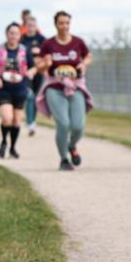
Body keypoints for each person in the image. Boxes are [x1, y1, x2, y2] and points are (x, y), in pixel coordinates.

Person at [35, 11, 94, 171]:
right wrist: (46, 64)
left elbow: (88, 56)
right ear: (56, 24)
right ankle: (63, 159)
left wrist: (84, 64)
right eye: (61, 23)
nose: (64, 26)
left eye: (67, 23)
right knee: (63, 123)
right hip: (55, 88)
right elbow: (38, 66)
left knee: (78, 126)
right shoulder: (48, 44)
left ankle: (72, 146)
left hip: (75, 86)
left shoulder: (77, 42)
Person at [0, 23, 37, 159]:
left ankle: (12, 148)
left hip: (20, 88)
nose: (13, 36)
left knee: (16, 121)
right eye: (11, 33)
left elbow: (33, 67)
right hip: (4, 88)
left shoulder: (25, 51)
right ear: (6, 34)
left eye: (16, 33)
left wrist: (30, 72)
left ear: (20, 36)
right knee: (7, 118)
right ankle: (3, 142)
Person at [21, 15, 46, 136]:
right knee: (29, 96)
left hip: (39, 71)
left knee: (36, 98)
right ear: (25, 27)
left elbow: (47, 55)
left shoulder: (41, 39)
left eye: (33, 26)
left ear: (36, 27)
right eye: (29, 26)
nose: (31, 28)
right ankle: (30, 122)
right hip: (26, 72)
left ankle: (32, 121)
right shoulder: (21, 40)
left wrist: (39, 52)